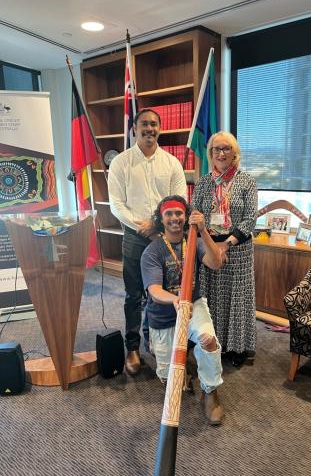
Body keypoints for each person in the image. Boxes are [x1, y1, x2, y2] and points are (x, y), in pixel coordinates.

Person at [108, 109, 187, 375]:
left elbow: (180, 198)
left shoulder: (172, 163)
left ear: (160, 129)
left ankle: (155, 340)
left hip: (166, 238)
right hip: (134, 237)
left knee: (161, 293)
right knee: (134, 295)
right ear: (134, 128)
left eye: (154, 124)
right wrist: (142, 227)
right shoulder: (121, 162)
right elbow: (116, 205)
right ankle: (132, 348)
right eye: (144, 124)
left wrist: (158, 226)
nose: (149, 128)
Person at [140, 195, 225, 425]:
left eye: (179, 213)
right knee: (171, 379)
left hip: (193, 304)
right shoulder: (152, 251)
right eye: (169, 214)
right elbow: (154, 289)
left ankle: (210, 393)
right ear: (162, 218)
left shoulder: (194, 240)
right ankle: (179, 364)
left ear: (185, 217)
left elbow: (216, 262)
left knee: (208, 341)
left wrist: (204, 230)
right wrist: (175, 300)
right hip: (163, 313)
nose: (175, 218)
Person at [192, 131, 258, 367]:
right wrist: (209, 242)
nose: (221, 153)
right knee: (212, 296)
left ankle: (237, 348)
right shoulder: (203, 182)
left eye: (226, 149)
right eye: (216, 149)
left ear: (234, 153)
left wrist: (227, 243)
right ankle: (213, 341)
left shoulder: (246, 181)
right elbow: (196, 213)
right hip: (209, 248)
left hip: (237, 249)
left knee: (236, 298)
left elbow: (250, 219)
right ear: (210, 154)